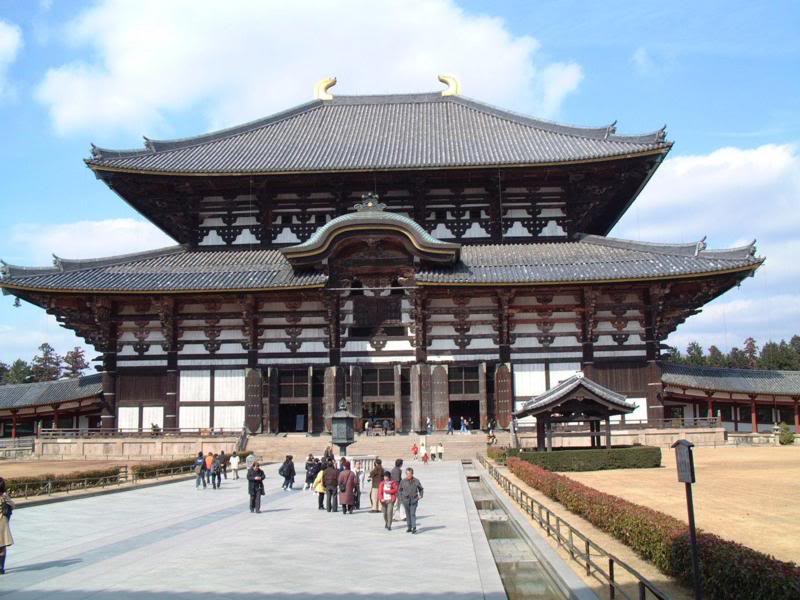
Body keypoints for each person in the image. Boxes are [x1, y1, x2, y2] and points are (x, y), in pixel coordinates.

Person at [398, 467, 424, 534]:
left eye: (410, 474)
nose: (408, 475)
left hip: (414, 500)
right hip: (405, 500)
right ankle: (409, 527)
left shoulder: (416, 481)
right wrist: (401, 498)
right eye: (407, 474)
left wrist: (420, 495)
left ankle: (414, 527)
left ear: (412, 474)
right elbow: (399, 490)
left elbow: (421, 489)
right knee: (407, 514)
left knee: (412, 513)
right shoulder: (403, 481)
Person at [0, 478, 14, 574]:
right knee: (2, 546)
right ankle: (1, 568)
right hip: (2, 521)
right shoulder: (4, 496)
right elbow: (13, 505)